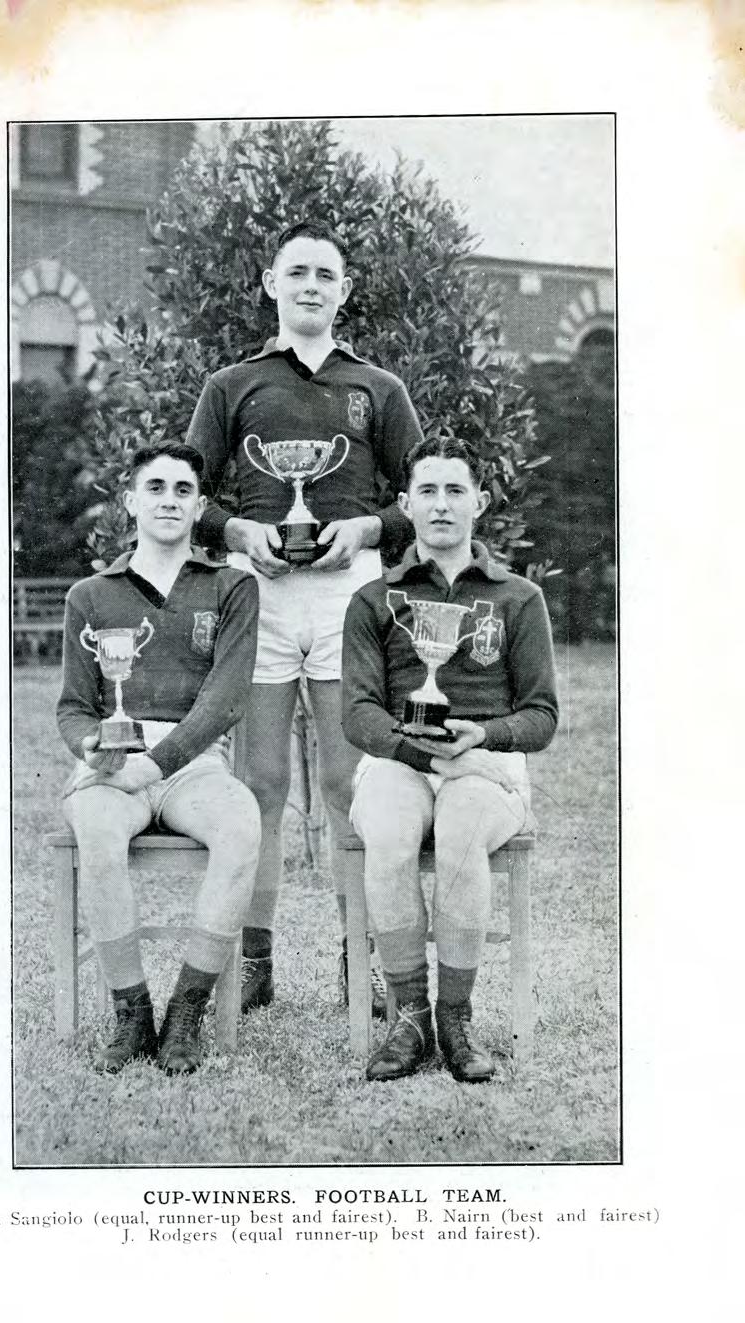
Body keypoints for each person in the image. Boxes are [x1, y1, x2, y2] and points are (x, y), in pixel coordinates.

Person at [186, 220, 424, 1015]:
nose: (312, 285)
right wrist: (236, 531)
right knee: (259, 781)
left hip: (348, 596)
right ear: (271, 283)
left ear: (344, 289)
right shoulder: (231, 385)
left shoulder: (379, 388)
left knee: (350, 779)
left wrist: (368, 529)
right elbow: (187, 493)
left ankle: (362, 957)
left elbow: (423, 495)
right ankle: (255, 959)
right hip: (258, 596)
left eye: (326, 273)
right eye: (298, 272)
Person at [341, 436, 558, 1084]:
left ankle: (455, 1019)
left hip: (484, 765)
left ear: (479, 503)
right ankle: (409, 1016)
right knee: (386, 828)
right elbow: (358, 714)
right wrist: (423, 754)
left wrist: (482, 735)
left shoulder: (518, 597)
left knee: (463, 832)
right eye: (428, 491)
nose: (441, 504)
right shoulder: (374, 598)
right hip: (400, 762)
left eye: (455, 490)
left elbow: (542, 716)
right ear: (405, 504)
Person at [57, 444, 261, 1075]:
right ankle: (132, 1013)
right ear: (130, 502)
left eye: (182, 490)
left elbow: (226, 700)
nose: (168, 500)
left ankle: (186, 1012)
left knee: (241, 824)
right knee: (95, 827)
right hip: (114, 763)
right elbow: (74, 707)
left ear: (200, 507)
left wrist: (157, 763)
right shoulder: (91, 595)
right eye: (155, 488)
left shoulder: (232, 586)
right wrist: (91, 747)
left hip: (192, 761)